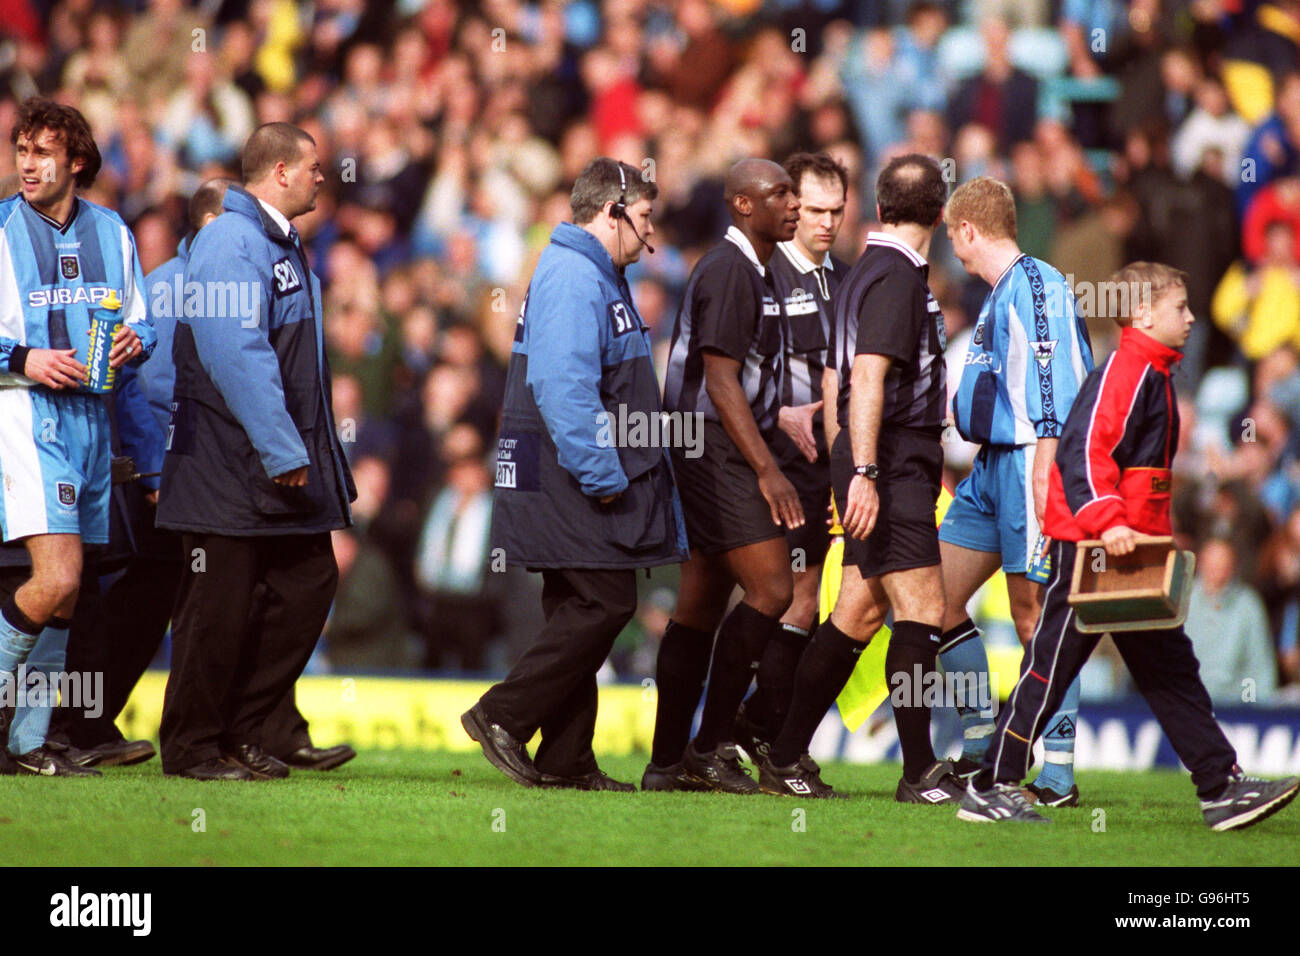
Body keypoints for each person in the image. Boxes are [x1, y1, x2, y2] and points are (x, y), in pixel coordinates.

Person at [958, 262, 1300, 830]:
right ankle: (990, 785)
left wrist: (1148, 540)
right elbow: (1083, 453)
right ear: (1142, 313)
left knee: (1169, 670)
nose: (1191, 318)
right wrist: (1111, 523)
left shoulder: (1153, 373)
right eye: (1180, 308)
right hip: (1094, 549)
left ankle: (1220, 787)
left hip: (1128, 555)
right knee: (1048, 671)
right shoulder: (1129, 369)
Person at [58, 178, 355, 772]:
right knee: (184, 601)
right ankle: (89, 724)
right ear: (216, 222)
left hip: (210, 469)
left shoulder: (228, 271)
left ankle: (262, 727)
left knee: (240, 592)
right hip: (186, 471)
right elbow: (143, 384)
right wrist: (152, 470)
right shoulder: (173, 289)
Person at [461, 157, 688, 792]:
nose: (650, 235)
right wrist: (602, 471)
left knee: (574, 606)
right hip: (572, 476)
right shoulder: (573, 274)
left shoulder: (593, 271)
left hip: (571, 472)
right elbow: (563, 386)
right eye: (643, 218)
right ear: (611, 212)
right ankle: (502, 713)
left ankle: (566, 758)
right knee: (605, 601)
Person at [757, 154, 961, 802]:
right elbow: (866, 378)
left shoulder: (859, 274)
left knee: (857, 611)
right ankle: (920, 771)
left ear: (877, 208)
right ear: (939, 214)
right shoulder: (896, 277)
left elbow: (836, 382)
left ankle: (783, 754)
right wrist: (866, 473)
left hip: (874, 459)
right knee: (923, 609)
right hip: (893, 462)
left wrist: (848, 464)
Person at [156, 123, 355, 781]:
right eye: (314, 166)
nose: (323, 177)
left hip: (265, 468)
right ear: (279, 173)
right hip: (228, 466)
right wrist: (279, 447)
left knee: (308, 581)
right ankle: (191, 747)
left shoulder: (273, 242)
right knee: (217, 609)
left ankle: (243, 730)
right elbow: (234, 351)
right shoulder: (232, 242)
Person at [0, 98, 155, 776]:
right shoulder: (1, 232)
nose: (27, 165)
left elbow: (143, 325)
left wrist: (133, 342)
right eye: (21, 151)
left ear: (77, 161)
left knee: (69, 589)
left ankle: (28, 743)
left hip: (96, 423)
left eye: (41, 153)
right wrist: (23, 359)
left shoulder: (114, 233)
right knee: (54, 575)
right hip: (27, 420)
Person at [646, 158, 807, 795]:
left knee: (701, 602)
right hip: (712, 445)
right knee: (772, 589)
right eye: (780, 194)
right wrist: (768, 470)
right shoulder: (732, 269)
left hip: (705, 442)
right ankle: (707, 747)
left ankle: (665, 766)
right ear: (743, 204)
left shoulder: (750, 269)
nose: (793, 203)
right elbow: (719, 378)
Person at [938, 177, 1094, 806]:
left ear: (969, 230)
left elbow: (1057, 384)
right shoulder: (1003, 290)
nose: (953, 248)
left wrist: (1045, 467)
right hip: (989, 466)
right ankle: (982, 744)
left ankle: (1056, 772)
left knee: (1036, 614)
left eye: (954, 234)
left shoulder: (1037, 283)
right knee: (933, 598)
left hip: (1032, 461)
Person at [731, 151, 848, 770]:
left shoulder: (850, 281)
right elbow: (722, 372)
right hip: (773, 467)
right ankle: (754, 728)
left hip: (829, 470)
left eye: (837, 211)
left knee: (810, 600)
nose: (825, 222)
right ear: (791, 207)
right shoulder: (763, 275)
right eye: (814, 209)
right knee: (792, 596)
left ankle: (755, 727)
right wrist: (779, 416)